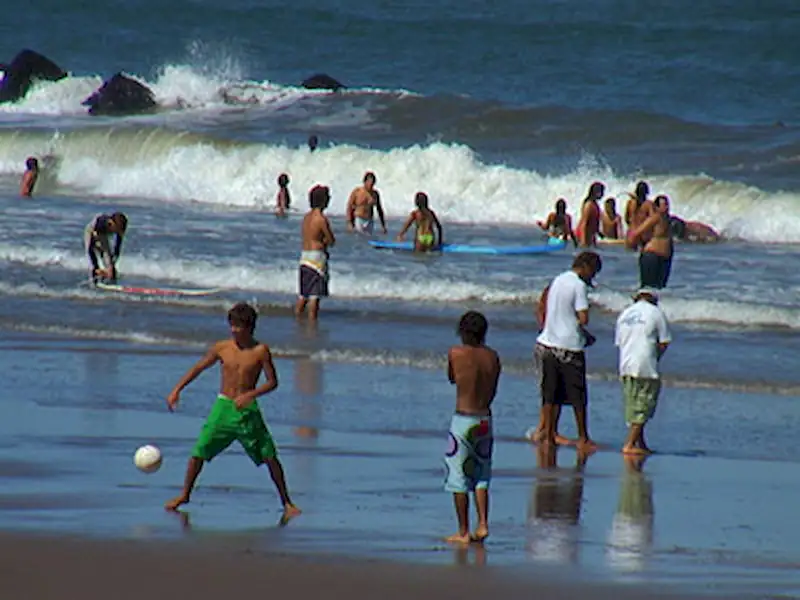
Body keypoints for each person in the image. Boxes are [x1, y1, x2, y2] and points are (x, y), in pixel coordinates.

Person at [164, 302, 301, 522]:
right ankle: (184, 495)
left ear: (249, 327)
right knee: (199, 451)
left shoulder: (260, 351)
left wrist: (251, 395)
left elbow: (273, 382)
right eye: (232, 325)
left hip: (247, 410)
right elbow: (199, 367)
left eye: (238, 326)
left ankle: (287, 502)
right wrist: (177, 390)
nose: (234, 330)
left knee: (269, 455)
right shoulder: (222, 347)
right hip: (223, 406)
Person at [533, 251, 602, 452]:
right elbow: (583, 318)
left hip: (548, 342)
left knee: (550, 393)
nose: (593, 277)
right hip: (569, 346)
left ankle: (548, 433)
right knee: (578, 396)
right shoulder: (578, 285)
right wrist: (585, 334)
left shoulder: (558, 280)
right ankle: (583, 437)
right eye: (593, 272)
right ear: (586, 267)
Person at [444, 311, 501, 545]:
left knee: (458, 477)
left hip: (463, 419)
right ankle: (483, 524)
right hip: (484, 419)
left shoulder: (456, 353)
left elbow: (452, 378)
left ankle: (463, 530)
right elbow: (494, 388)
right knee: (481, 475)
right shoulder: (493, 357)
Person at [614, 288, 671, 455]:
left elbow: (620, 342)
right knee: (644, 405)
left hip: (626, 365)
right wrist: (656, 357)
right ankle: (630, 443)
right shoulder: (656, 313)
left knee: (633, 404)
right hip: (646, 365)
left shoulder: (624, 314)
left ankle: (640, 442)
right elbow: (664, 342)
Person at [295, 185, 335, 321]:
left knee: (303, 295)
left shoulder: (306, 218)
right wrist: (325, 241)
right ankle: (312, 325)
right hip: (317, 258)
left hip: (304, 256)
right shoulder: (322, 219)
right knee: (314, 296)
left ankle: (298, 320)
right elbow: (331, 240)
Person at [627, 195, 673, 289]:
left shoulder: (668, 219)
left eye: (667, 204)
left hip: (664, 258)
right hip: (652, 256)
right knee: (648, 287)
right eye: (664, 205)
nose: (667, 207)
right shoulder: (655, 218)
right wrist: (633, 244)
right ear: (657, 207)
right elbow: (637, 233)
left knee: (660, 288)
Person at [84, 212, 128, 284]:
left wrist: (112, 265)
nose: (116, 231)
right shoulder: (101, 222)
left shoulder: (120, 227)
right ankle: (94, 280)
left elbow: (117, 248)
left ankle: (110, 280)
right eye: (116, 229)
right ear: (112, 223)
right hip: (92, 231)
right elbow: (90, 249)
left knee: (109, 262)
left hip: (103, 235)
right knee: (95, 261)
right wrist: (96, 266)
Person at [575, 182, 604, 247]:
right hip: (583, 235)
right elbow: (584, 224)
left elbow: (593, 222)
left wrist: (599, 233)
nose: (603, 194)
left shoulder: (595, 204)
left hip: (590, 235)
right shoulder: (589, 205)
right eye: (601, 192)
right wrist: (583, 240)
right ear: (596, 192)